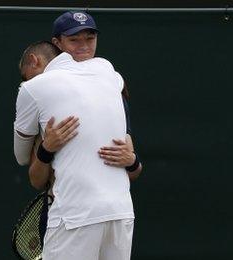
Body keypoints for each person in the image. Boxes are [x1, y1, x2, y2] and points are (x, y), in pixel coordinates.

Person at [13, 11, 140, 260]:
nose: (83, 46)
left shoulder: (34, 89)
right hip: (120, 215)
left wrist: (132, 160)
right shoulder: (110, 73)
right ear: (57, 44)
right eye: (74, 40)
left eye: (89, 39)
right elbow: (37, 179)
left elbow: (23, 161)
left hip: (76, 216)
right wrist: (47, 148)